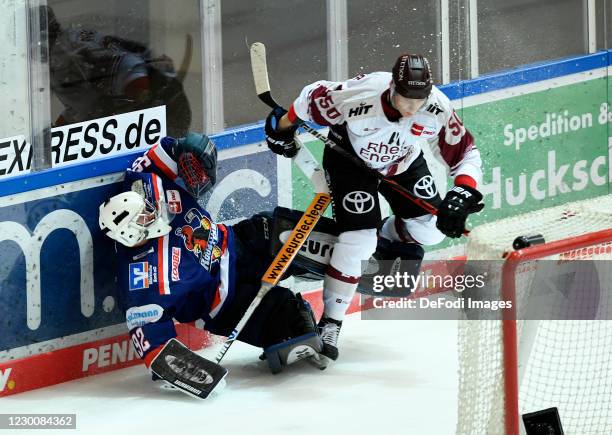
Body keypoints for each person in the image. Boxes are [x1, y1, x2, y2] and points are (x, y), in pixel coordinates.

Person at [264, 53, 484, 360]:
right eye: (406, 99)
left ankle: (386, 231)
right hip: (349, 161)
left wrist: (463, 191)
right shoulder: (362, 93)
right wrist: (282, 126)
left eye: (418, 101)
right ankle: (332, 321)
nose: (412, 108)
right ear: (393, 87)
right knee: (358, 240)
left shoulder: (436, 107)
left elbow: (466, 153)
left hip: (403, 164)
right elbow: (310, 100)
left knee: (433, 232)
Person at [98, 133, 326, 390]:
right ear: (132, 234)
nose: (154, 211)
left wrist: (188, 152)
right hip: (226, 303)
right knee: (293, 330)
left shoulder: (143, 186)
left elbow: (171, 149)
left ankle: (378, 271)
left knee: (315, 239)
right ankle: (294, 315)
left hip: (240, 245)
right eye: (145, 218)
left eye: (148, 209)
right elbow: (156, 350)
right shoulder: (140, 281)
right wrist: (194, 374)